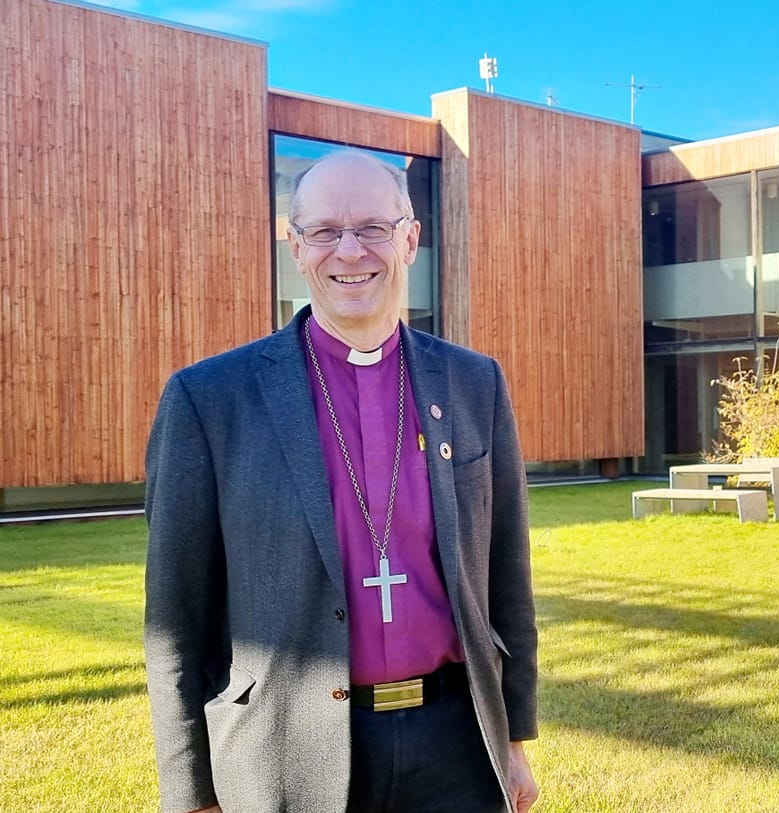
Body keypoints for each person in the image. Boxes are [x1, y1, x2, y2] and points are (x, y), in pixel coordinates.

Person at [144, 150, 540, 813]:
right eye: (325, 230)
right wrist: (191, 793)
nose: (349, 250)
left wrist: (516, 733)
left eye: (373, 228)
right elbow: (175, 618)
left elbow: (506, 574)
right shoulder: (209, 400)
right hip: (288, 752)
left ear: (410, 238)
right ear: (295, 247)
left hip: (457, 748)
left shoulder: (476, 384)